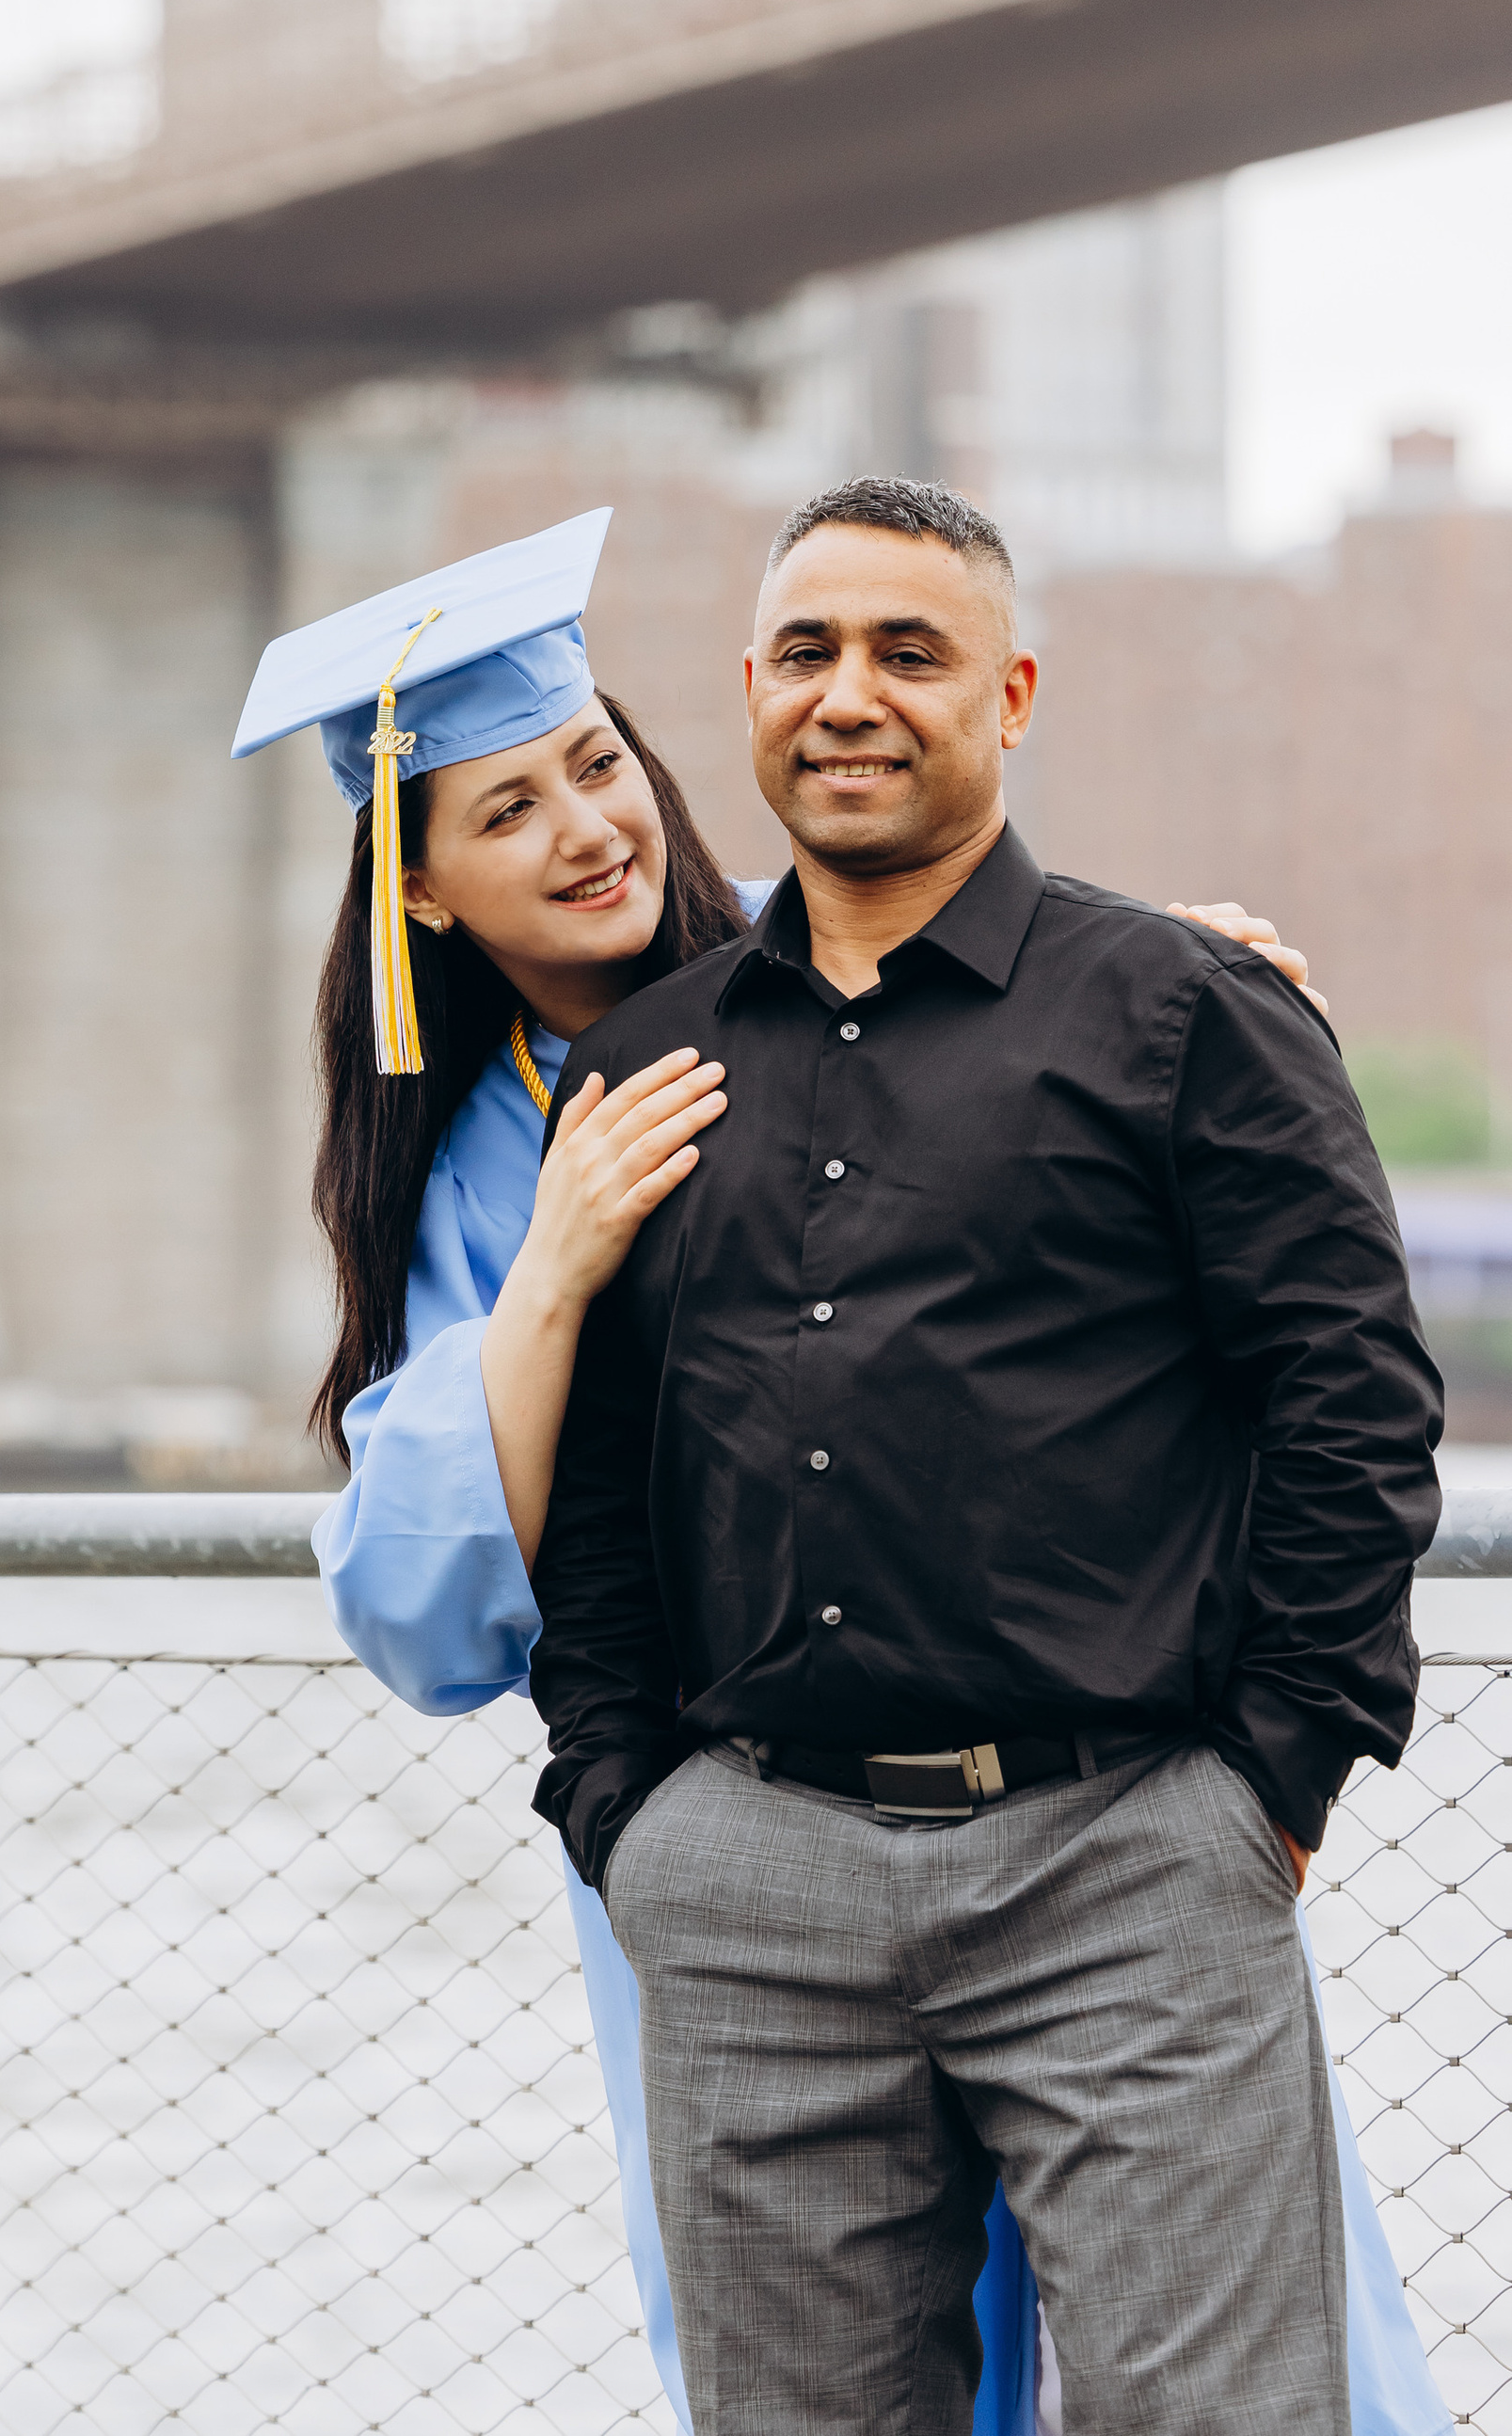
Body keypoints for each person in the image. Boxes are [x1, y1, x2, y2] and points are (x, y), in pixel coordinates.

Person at [231, 506, 1434, 2436]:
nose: (583, 828)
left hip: (1103, 1848)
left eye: (594, 765)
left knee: (1200, 2369)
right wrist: (635, 1807)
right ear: (421, 892)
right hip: (752, 1866)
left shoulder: (924, 990)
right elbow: (434, 1598)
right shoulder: (497, 1156)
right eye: (502, 808)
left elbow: (1326, 1375)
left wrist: (1263, 1781)